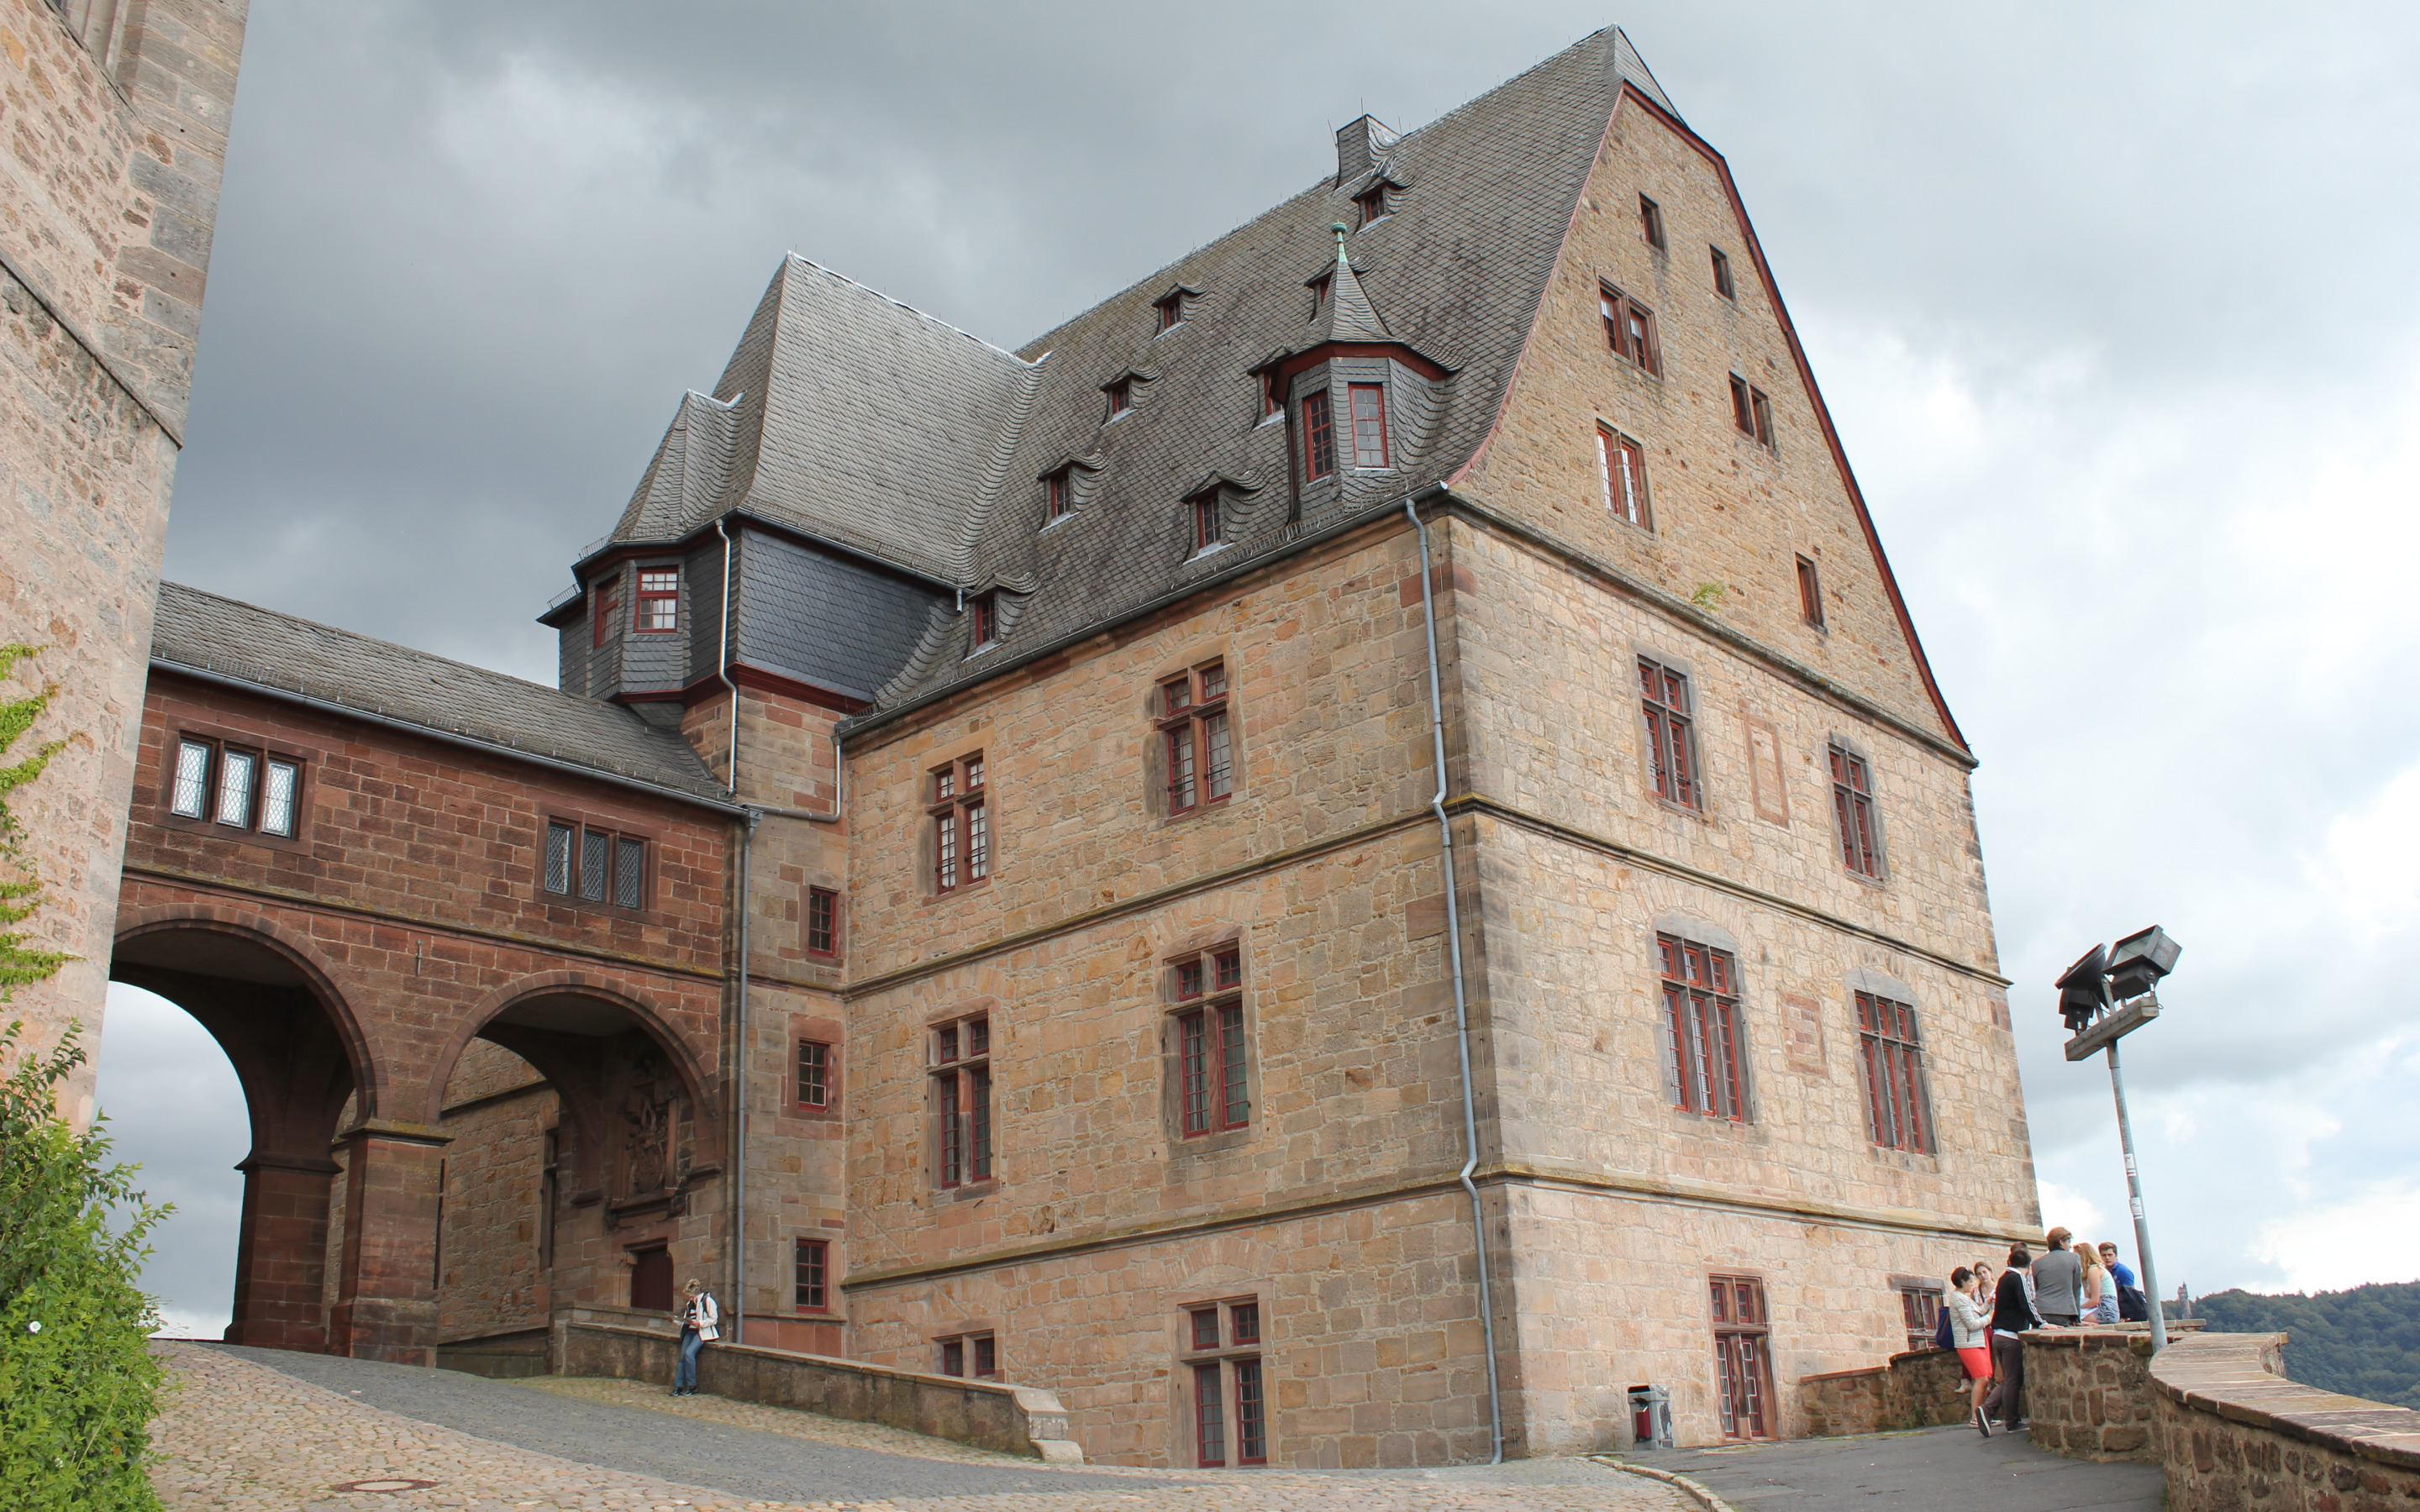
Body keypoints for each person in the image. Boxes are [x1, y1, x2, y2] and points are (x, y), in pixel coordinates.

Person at [1981, 1242, 2043, 1433]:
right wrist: (2041, 1323)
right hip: (2010, 1337)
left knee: (2009, 1379)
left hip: (1999, 1336)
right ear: (2028, 1266)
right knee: (2013, 1380)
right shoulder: (2017, 1278)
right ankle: (2011, 1421)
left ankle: (1987, 1410)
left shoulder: (2003, 1279)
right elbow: (2026, 1305)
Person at [1945, 1266, 1995, 1433]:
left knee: (1986, 1379)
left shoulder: (1964, 1298)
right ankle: (1976, 1417)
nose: (1973, 1284)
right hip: (1969, 1344)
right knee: (1981, 1379)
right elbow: (1972, 1324)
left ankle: (1984, 1415)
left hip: (1977, 1342)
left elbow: (1977, 1312)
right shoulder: (1959, 1299)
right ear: (1962, 1282)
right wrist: (1990, 1317)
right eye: (1970, 1281)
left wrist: (1988, 1303)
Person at [673, 1278, 719, 1396]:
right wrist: (675, 1321)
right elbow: (686, 1320)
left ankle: (692, 1385)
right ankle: (678, 1386)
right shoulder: (690, 1304)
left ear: (696, 1294)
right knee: (682, 1357)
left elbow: (714, 1319)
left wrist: (700, 1324)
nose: (690, 1299)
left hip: (702, 1332)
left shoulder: (707, 1301)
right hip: (690, 1331)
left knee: (689, 1354)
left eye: (691, 1296)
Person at [2032, 1227, 2083, 1326]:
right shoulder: (2074, 1258)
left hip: (2041, 1309)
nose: (2070, 1245)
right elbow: (2076, 1288)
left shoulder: (2036, 1263)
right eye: (2068, 1242)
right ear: (2061, 1242)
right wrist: (2077, 1318)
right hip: (2063, 1310)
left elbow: (2037, 1288)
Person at [2078, 1244, 2118, 1325]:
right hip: (2097, 1308)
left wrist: (2077, 1309)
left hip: (2106, 1310)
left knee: (2071, 1319)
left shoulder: (2094, 1270)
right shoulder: (2085, 1274)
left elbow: (2094, 1301)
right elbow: (2088, 1298)